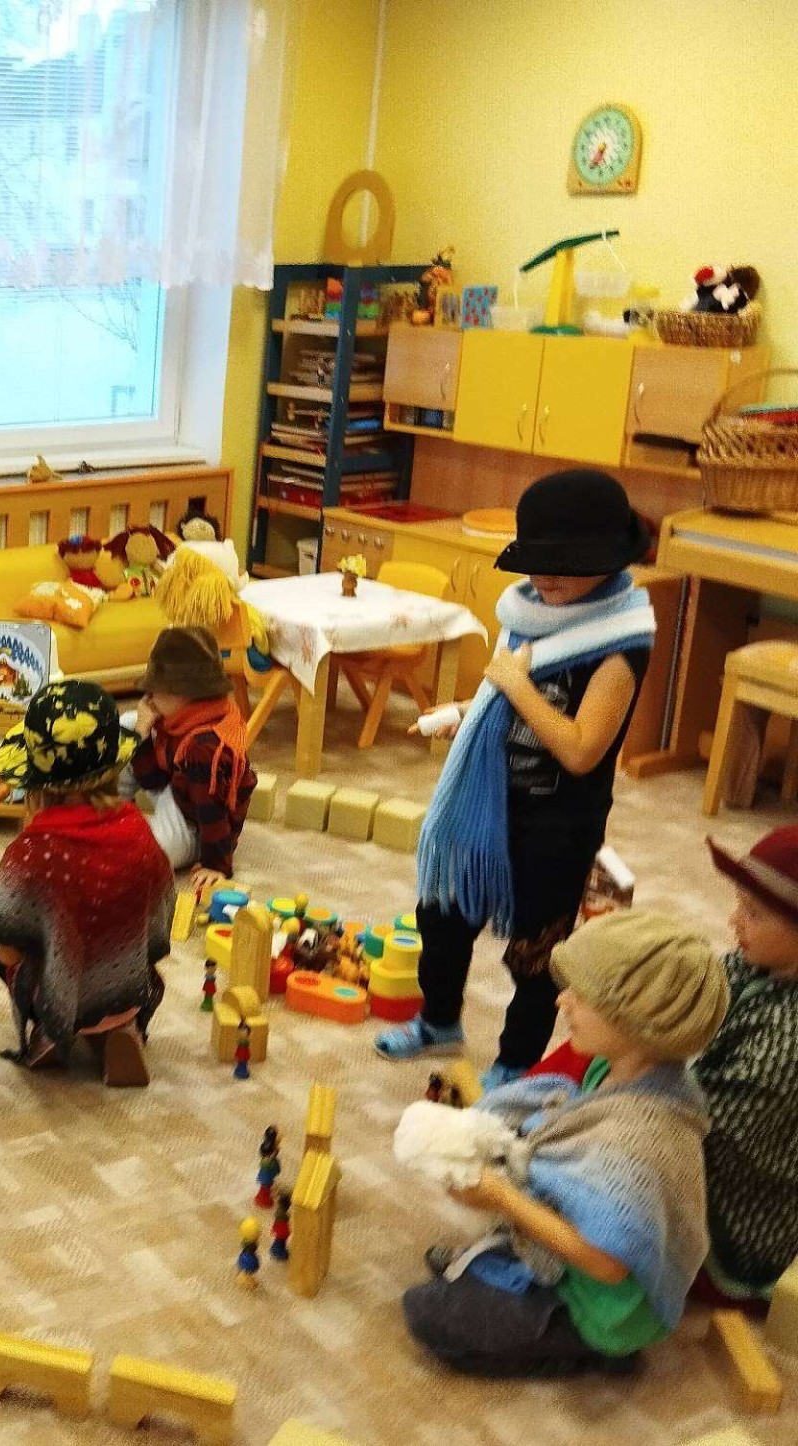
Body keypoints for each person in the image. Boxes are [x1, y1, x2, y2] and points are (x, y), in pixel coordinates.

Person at [377, 470, 655, 1091]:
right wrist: (467, 712)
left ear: (609, 563)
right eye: (537, 563)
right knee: (442, 917)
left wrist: (514, 685)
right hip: (487, 806)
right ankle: (439, 1021)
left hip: (555, 825)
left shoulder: (619, 647)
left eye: (566, 567)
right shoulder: (532, 614)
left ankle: (516, 1062)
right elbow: (503, 698)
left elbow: (580, 751)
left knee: (537, 951)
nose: (547, 579)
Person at [402, 911, 728, 1377]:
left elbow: (608, 1264)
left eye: (583, 995)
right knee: (458, 1284)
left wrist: (502, 1197)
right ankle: (514, 1280)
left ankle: (594, 1350)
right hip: (577, 1265)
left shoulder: (640, 1136)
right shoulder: (617, 1068)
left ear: (638, 1022)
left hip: (603, 1307)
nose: (562, 1001)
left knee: (430, 1316)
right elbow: (567, 1156)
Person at [0, 680, 173, 1085]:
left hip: (58, 995)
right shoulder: (137, 829)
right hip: (126, 989)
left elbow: (9, 953)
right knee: (109, 949)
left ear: (35, 782)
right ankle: (120, 1030)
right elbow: (162, 915)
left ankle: (52, 1031)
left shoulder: (31, 851)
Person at [689, 825, 798, 1312]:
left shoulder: (787, 1043)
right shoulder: (758, 963)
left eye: (753, 912)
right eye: (739, 903)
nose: (734, 921)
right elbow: (696, 993)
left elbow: (696, 1132)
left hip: (735, 1230)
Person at [128, 626, 258, 890]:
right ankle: (106, 813)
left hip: (195, 824)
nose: (148, 698)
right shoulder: (180, 719)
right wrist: (141, 735)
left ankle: (134, 831)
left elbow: (212, 810)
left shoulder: (203, 747)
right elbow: (153, 781)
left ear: (183, 694)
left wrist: (216, 865)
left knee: (146, 856)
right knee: (130, 724)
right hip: (178, 789)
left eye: (156, 691)